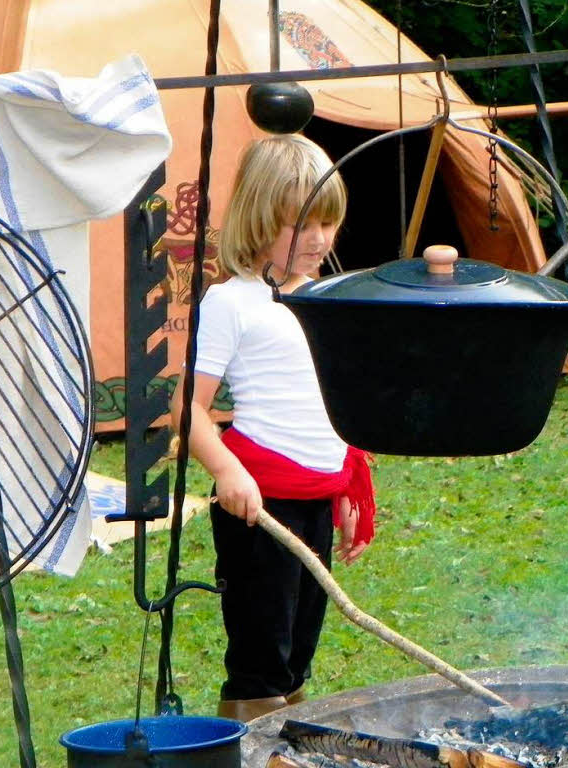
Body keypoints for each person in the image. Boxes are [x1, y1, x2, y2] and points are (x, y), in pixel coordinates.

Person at [169, 134, 375, 723]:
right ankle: (250, 746)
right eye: (301, 226)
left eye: (328, 224)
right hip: (259, 502)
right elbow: (188, 405)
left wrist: (346, 487)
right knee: (263, 650)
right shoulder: (232, 302)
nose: (319, 240)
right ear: (261, 221)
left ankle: (283, 743)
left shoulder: (325, 300)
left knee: (300, 646)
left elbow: (335, 405)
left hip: (315, 493)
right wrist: (228, 471)